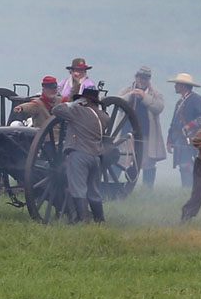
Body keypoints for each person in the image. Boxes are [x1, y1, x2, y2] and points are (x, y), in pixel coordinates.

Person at [52, 83, 110, 223]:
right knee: (94, 191)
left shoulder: (78, 111)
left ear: (85, 100)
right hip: (96, 157)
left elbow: (57, 110)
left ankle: (83, 219)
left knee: (78, 189)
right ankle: (99, 219)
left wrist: (73, 104)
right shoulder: (103, 117)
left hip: (79, 155)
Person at [118, 66, 165, 188]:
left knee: (147, 163)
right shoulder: (126, 91)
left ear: (149, 79)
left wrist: (144, 97)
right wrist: (131, 95)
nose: (142, 80)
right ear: (136, 77)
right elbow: (118, 103)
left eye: (145, 78)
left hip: (146, 134)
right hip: (126, 133)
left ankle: (147, 190)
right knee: (120, 160)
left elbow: (158, 107)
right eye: (140, 77)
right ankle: (113, 185)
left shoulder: (156, 94)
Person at [166, 73, 201, 188]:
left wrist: (191, 125)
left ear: (183, 86)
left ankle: (191, 191)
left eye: (178, 84)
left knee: (188, 167)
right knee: (183, 167)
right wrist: (170, 139)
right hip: (180, 140)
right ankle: (186, 191)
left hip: (191, 140)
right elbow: (174, 123)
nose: (175, 86)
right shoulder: (179, 102)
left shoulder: (196, 99)